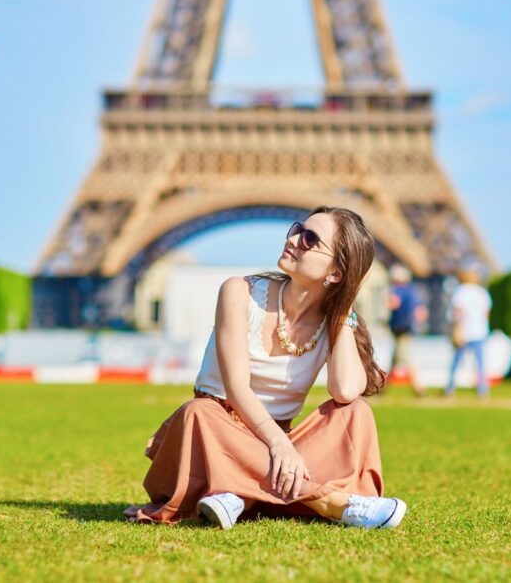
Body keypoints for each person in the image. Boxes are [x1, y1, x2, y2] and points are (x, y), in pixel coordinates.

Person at [124, 206, 407, 530]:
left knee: (355, 412)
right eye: (297, 229)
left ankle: (238, 494)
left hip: (276, 441)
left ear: (335, 274)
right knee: (197, 413)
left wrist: (345, 309)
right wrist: (280, 446)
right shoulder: (239, 291)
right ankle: (329, 502)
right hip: (219, 433)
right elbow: (236, 388)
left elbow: (344, 390)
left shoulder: (333, 322)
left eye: (310, 239)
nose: (295, 239)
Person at [444, 268, 492, 398]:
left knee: (457, 361)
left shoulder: (461, 291)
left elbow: (458, 312)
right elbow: (486, 313)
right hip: (479, 331)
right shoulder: (483, 293)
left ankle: (450, 388)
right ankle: (483, 390)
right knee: (480, 362)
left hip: (464, 331)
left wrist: (456, 329)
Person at [387, 264, 427, 397]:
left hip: (399, 328)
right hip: (408, 328)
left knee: (405, 359)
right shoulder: (413, 291)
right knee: (395, 359)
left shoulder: (397, 290)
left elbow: (393, 303)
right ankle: (382, 388)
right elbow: (421, 312)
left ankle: (419, 388)